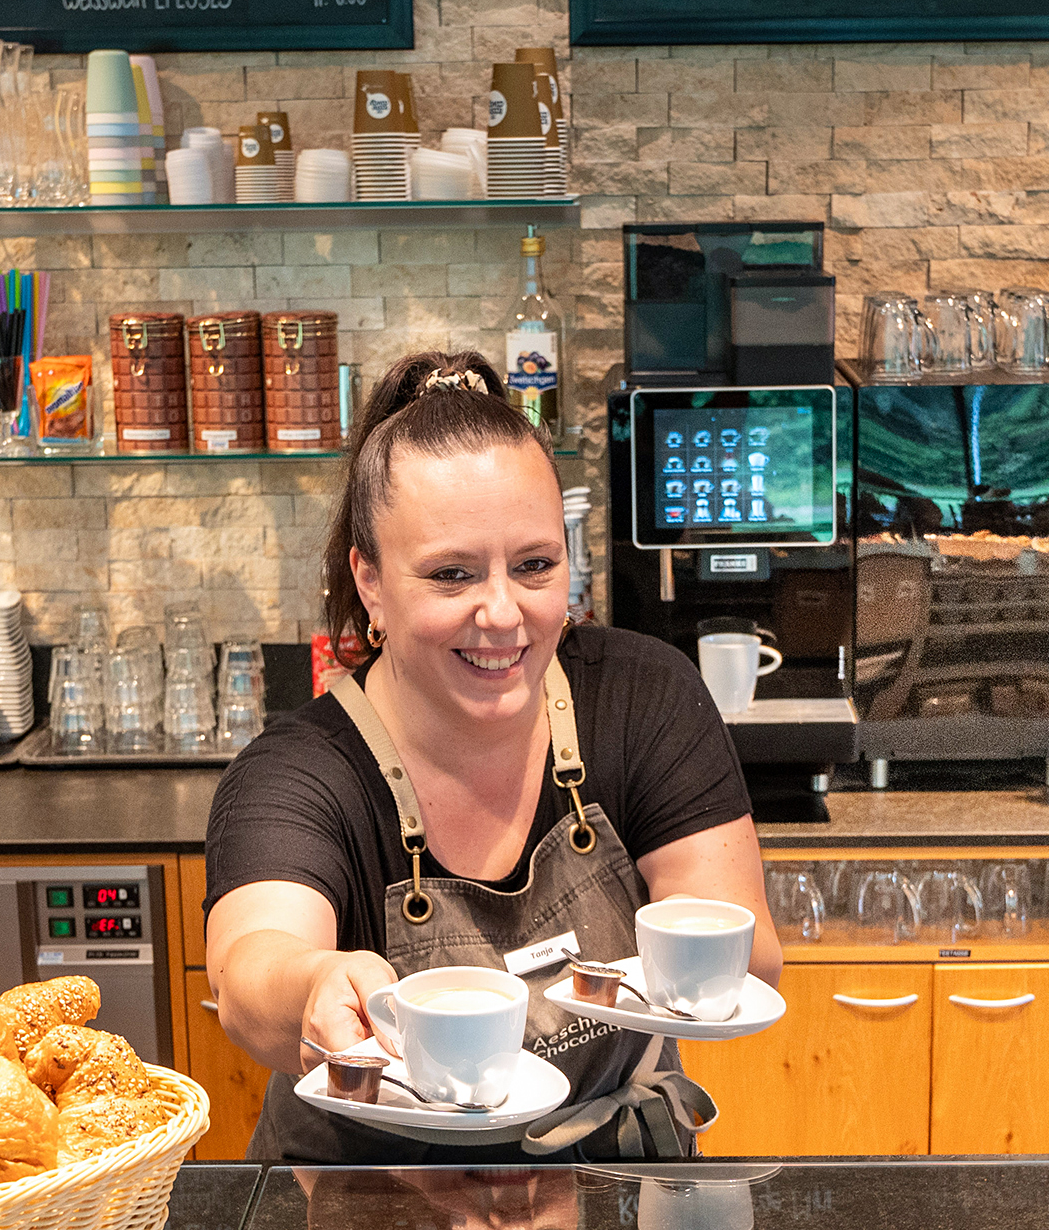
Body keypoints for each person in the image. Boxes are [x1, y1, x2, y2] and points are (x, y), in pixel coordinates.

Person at [205, 350, 779, 1162]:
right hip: (362, 1213)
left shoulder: (641, 697)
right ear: (368, 583)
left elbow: (750, 950)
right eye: (451, 574)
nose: (503, 613)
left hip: (607, 1190)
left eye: (535, 565)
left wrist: (700, 958)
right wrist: (312, 985)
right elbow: (247, 973)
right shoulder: (300, 771)